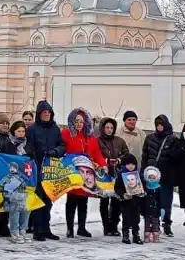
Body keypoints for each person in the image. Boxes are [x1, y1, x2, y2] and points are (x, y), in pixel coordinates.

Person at [61, 107, 105, 238]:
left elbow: (97, 153)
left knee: (83, 202)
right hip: (72, 173)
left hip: (87, 174)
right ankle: (69, 229)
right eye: (76, 121)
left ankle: (81, 227)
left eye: (81, 121)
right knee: (71, 201)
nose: (79, 124)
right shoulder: (66, 134)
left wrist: (103, 164)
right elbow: (62, 150)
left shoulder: (90, 138)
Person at [25, 101, 64, 241]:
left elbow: (62, 145)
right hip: (36, 169)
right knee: (38, 200)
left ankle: (46, 229)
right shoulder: (33, 129)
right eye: (43, 113)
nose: (46, 115)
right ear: (39, 114)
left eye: (48, 112)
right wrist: (35, 158)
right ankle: (37, 230)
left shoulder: (55, 129)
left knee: (48, 201)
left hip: (51, 170)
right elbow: (28, 146)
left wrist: (55, 152)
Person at [143, 114, 177, 237]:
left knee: (166, 202)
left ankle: (167, 224)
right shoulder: (149, 138)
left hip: (166, 175)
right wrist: (144, 172)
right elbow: (145, 157)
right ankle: (153, 224)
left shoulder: (172, 139)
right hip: (151, 175)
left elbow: (176, 158)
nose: (159, 127)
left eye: (161, 125)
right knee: (152, 201)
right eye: (157, 125)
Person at [97, 117, 128, 237]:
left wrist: (119, 160)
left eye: (111, 127)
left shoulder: (119, 141)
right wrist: (105, 161)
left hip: (117, 174)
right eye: (107, 127)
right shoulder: (97, 141)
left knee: (116, 201)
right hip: (103, 175)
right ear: (102, 128)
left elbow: (127, 154)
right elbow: (95, 155)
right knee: (104, 201)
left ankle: (114, 225)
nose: (109, 130)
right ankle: (106, 226)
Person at [112, 153, 145, 244]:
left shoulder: (137, 175)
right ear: (124, 165)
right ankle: (125, 235)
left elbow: (142, 186)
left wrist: (142, 192)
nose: (131, 166)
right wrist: (123, 194)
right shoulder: (121, 175)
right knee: (126, 218)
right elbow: (117, 188)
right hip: (125, 201)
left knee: (136, 219)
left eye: (133, 164)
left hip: (135, 201)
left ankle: (136, 235)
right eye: (128, 164)